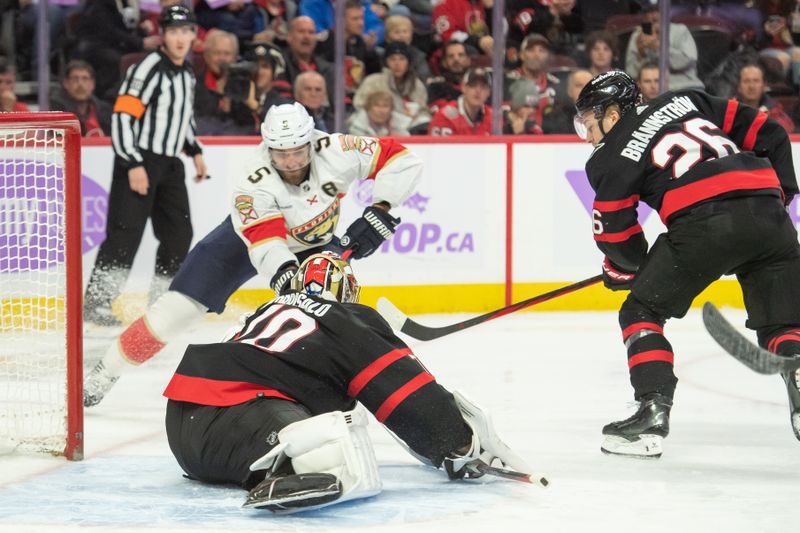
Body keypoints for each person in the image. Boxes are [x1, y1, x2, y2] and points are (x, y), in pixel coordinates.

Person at [83, 102, 422, 407]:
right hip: (242, 244)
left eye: (297, 152)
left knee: (334, 318)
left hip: (315, 245)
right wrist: (287, 276)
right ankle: (105, 370)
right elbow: (266, 243)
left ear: (311, 142)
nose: (290, 162)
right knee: (173, 315)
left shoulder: (336, 149)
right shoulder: (252, 179)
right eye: (280, 153)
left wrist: (382, 209)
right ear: (266, 148)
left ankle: (334, 389)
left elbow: (403, 159)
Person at [163, 251, 534, 512]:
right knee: (339, 456)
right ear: (348, 296)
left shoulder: (265, 309)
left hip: (183, 427)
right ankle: (286, 471)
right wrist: (457, 444)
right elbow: (402, 389)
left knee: (323, 431)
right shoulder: (346, 318)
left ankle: (273, 465)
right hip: (246, 417)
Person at [573, 70, 800, 458]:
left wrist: (626, 268)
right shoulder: (689, 99)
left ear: (613, 113)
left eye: (590, 123)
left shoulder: (609, 157)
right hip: (770, 214)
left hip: (704, 224)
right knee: (784, 324)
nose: (589, 136)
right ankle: (796, 368)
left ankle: (651, 413)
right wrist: (780, 197)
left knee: (641, 311)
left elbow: (615, 233)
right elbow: (772, 133)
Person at [83, 6, 208, 328]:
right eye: (174, 32)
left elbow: (182, 116)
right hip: (139, 159)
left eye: (186, 31)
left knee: (179, 234)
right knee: (125, 234)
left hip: (169, 164)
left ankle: (162, 300)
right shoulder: (148, 68)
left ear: (194, 35)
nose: (181, 38)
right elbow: (123, 117)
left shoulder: (187, 72)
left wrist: (194, 150)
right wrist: (132, 162)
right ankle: (97, 303)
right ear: (162, 35)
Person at [624, 1, 703, 91]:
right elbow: (631, 73)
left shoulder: (679, 31)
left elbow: (687, 61)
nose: (653, 25)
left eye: (655, 20)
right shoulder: (638, 35)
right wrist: (641, 54)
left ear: (665, 18)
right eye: (648, 22)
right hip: (649, 91)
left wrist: (659, 47)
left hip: (682, 86)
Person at [50, 60, 113, 137]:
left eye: (85, 78)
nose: (80, 84)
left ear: (92, 84)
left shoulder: (106, 112)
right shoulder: (56, 113)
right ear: (66, 83)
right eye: (75, 79)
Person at [429, 67, 492, 135]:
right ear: (463, 88)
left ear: (489, 92)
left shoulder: (494, 118)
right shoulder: (444, 117)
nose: (478, 91)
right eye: (473, 85)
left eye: (483, 87)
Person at [736, 62, 795, 134]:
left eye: (756, 81)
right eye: (746, 81)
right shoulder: (729, 111)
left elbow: (787, 132)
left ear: (764, 85)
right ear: (738, 86)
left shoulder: (776, 112)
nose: (751, 86)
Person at [347, 90, 412, 136]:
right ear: (368, 108)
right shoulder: (356, 126)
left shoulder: (400, 124)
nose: (381, 110)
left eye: (385, 106)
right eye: (377, 105)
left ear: (391, 109)